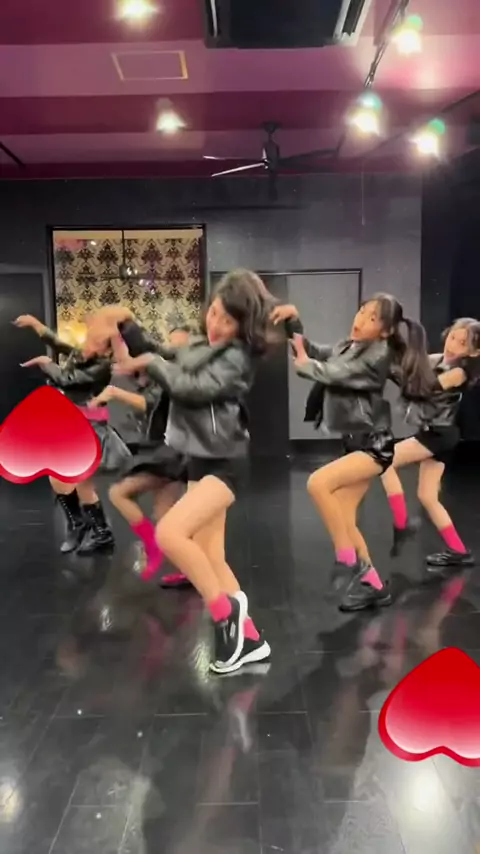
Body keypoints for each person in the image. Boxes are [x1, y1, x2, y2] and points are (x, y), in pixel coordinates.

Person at [97, 271, 279, 674]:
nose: (216, 324)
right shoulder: (201, 344)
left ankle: (226, 615)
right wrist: (129, 328)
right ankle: (250, 640)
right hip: (200, 460)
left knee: (170, 533)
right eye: (213, 312)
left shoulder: (236, 358)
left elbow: (191, 388)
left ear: (243, 326)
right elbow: (165, 353)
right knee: (212, 558)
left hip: (226, 464)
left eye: (227, 321)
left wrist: (150, 363)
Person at [272, 294, 435, 612]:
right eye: (362, 311)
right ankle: (373, 584)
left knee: (318, 484)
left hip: (374, 445)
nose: (360, 318)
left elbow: (336, 373)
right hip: (356, 443)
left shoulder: (378, 355)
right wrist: (293, 322)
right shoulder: (349, 346)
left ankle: (346, 559)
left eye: (371, 317)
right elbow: (313, 351)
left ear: (386, 331)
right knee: (344, 520)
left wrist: (306, 366)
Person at [13, 313, 131, 555]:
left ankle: (90, 529)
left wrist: (46, 363)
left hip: (88, 428)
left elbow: (67, 380)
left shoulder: (101, 367)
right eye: (88, 339)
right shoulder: (85, 354)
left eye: (94, 342)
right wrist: (36, 325)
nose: (87, 344)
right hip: (71, 424)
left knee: (75, 480)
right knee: (69, 479)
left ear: (107, 350)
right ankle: (91, 529)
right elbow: (59, 343)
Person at [92, 326, 193, 588]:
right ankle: (193, 571)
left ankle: (152, 547)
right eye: (171, 343)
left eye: (179, 345)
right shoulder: (165, 371)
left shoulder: (180, 376)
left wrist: (115, 393)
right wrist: (115, 333)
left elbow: (147, 403)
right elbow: (129, 359)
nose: (172, 349)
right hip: (168, 450)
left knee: (119, 493)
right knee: (165, 516)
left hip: (169, 452)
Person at [380, 317, 480, 573]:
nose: (453, 345)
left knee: (382, 459)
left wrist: (402, 369)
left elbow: (425, 387)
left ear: (473, 352)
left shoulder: (458, 373)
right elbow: (409, 370)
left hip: (439, 435)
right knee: (427, 496)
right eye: (453, 337)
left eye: (462, 343)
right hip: (436, 434)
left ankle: (402, 523)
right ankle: (459, 551)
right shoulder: (435, 359)